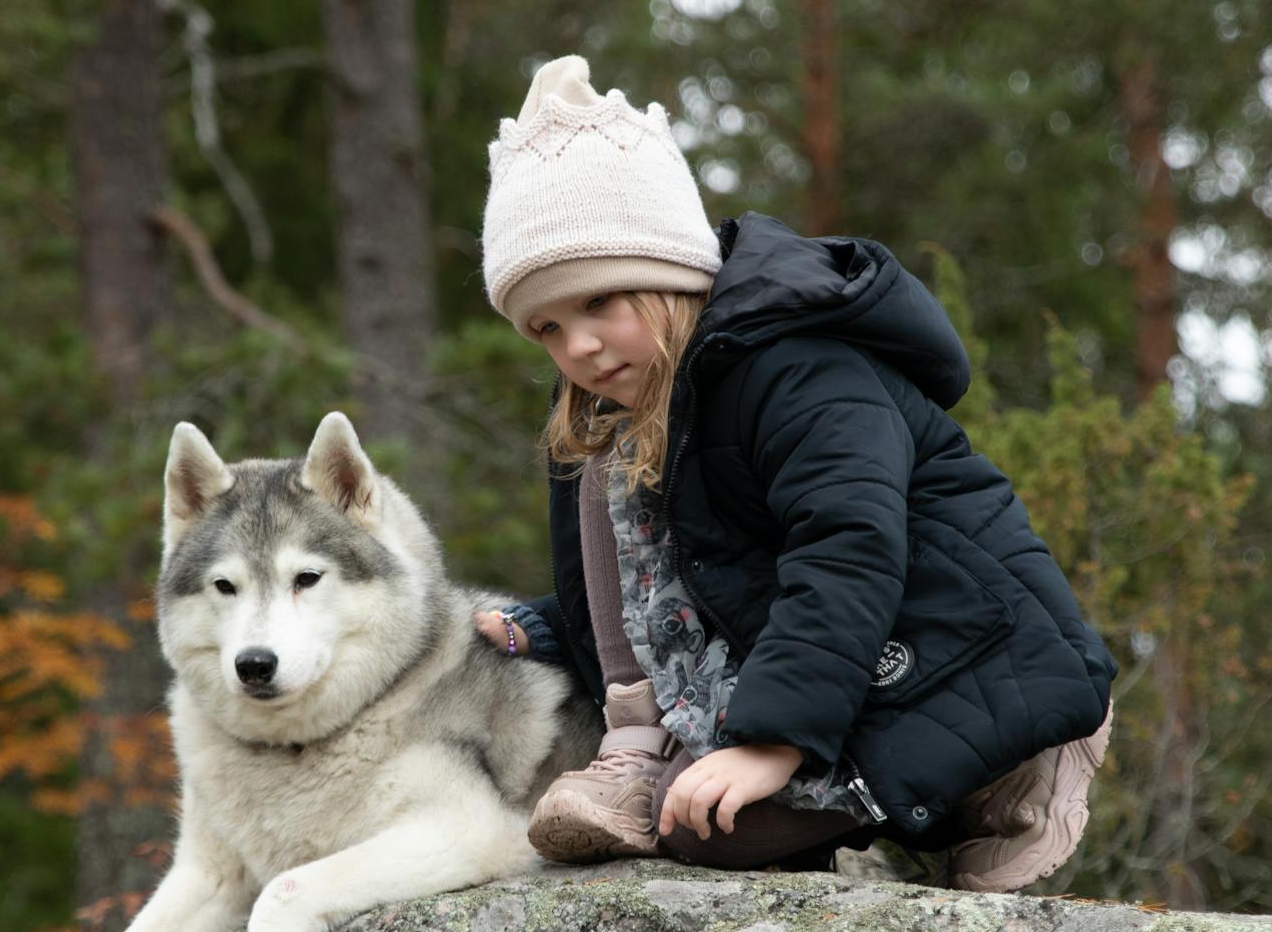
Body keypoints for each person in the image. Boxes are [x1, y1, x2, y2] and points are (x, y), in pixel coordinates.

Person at [473, 54, 1115, 889]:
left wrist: (772, 743)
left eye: (600, 302)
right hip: (826, 664)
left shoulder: (798, 368)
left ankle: (1019, 769)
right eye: (548, 328)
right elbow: (692, 578)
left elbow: (846, 546)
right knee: (701, 824)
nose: (579, 348)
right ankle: (653, 757)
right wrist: (548, 628)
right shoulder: (621, 423)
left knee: (710, 823)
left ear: (669, 274)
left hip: (964, 649)